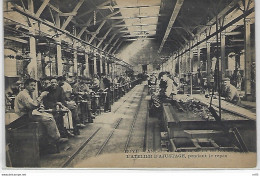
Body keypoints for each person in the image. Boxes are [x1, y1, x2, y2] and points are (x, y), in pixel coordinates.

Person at [11, 78, 67, 149]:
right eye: (31, 85)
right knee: (49, 118)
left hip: (27, 114)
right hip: (23, 116)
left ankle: (50, 142)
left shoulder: (28, 93)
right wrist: (42, 96)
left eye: (34, 85)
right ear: (26, 85)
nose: (33, 87)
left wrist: (40, 108)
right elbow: (33, 105)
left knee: (49, 116)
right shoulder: (24, 94)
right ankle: (55, 139)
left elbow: (32, 105)